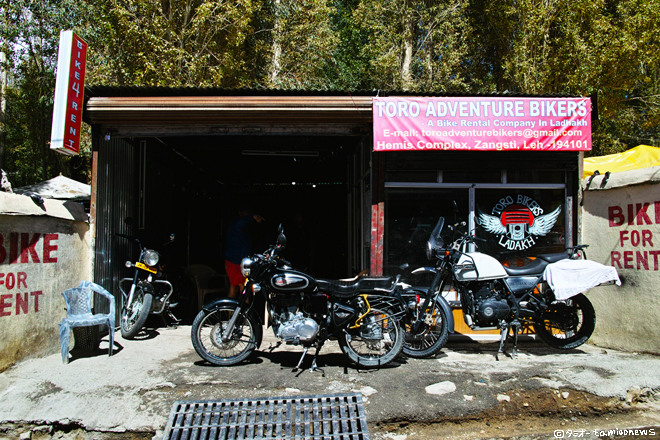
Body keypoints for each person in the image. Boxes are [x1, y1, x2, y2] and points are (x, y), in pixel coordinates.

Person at [224, 206, 265, 298]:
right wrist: (253, 216)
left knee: (239, 288)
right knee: (240, 288)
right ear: (240, 213)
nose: (248, 214)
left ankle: (237, 311)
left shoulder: (244, 228)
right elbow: (243, 221)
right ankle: (239, 311)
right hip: (233, 262)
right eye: (246, 212)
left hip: (241, 262)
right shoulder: (236, 223)